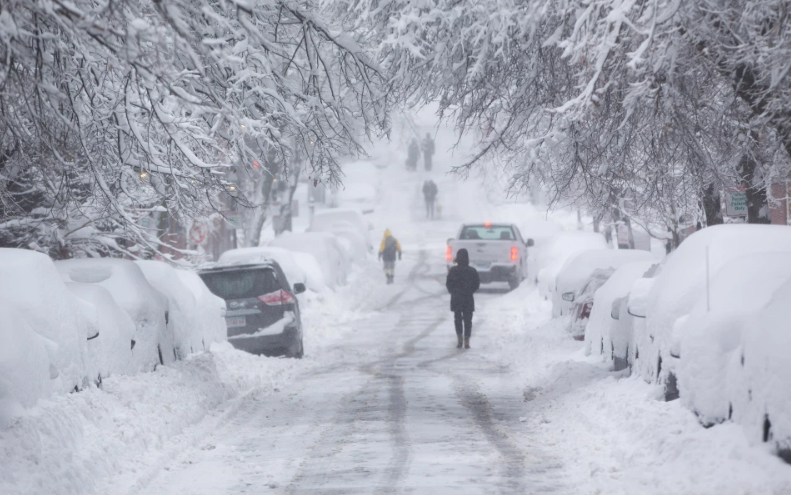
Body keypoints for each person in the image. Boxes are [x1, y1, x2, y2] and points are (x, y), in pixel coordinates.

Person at [445, 248, 480, 349]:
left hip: (456, 298)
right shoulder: (472, 271)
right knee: (468, 320)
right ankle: (467, 339)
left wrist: (454, 292)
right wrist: (469, 291)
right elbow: (476, 284)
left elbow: (448, 284)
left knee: (458, 318)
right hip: (468, 298)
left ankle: (459, 338)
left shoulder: (453, 270)